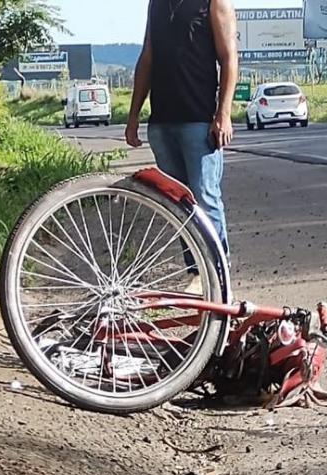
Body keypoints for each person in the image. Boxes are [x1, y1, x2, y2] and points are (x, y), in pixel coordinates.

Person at [125, 0, 238, 293]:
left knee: (205, 199)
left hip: (199, 121)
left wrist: (223, 114)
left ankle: (216, 276)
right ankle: (196, 272)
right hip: (163, 122)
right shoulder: (157, 3)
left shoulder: (214, 2)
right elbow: (147, 57)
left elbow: (229, 58)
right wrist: (134, 115)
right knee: (179, 204)